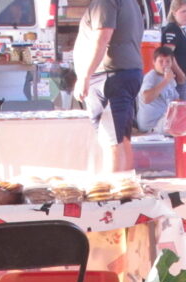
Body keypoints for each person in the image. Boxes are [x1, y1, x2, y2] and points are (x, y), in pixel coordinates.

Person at [72, 0, 143, 172]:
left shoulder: (105, 2)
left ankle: (114, 194)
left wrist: (84, 76)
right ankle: (125, 192)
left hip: (109, 77)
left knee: (111, 140)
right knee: (122, 138)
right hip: (121, 74)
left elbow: (103, 37)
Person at [136, 45, 181, 132]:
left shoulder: (169, 77)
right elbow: (146, 98)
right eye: (161, 61)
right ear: (154, 62)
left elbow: (176, 100)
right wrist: (165, 81)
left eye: (168, 61)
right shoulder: (150, 77)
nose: (165, 65)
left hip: (164, 119)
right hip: (152, 125)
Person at [161, 0, 186, 101]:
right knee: (180, 112)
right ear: (174, 13)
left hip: (185, 78)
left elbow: (184, 50)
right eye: (183, 11)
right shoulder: (172, 29)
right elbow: (167, 53)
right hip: (178, 80)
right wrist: (180, 74)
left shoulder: (181, 30)